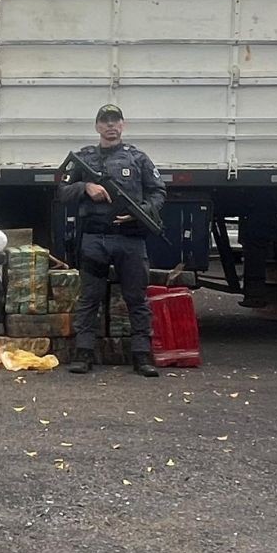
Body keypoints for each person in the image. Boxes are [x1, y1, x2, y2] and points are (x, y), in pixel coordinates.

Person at [58, 103, 166, 376]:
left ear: (123, 125)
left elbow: (158, 192)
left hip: (130, 240)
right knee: (89, 298)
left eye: (115, 121)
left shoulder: (138, 159)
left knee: (136, 298)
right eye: (105, 121)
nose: (110, 126)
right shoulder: (85, 158)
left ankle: (142, 355)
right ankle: (84, 354)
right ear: (97, 127)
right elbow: (62, 190)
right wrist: (86, 187)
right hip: (94, 238)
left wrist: (141, 212)